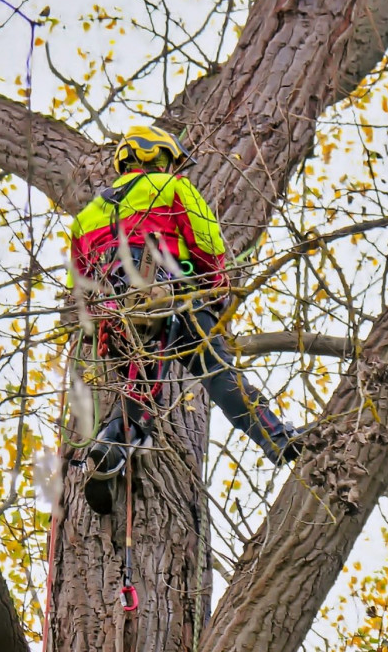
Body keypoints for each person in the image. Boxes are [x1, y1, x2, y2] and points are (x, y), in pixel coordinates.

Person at [68, 125, 304, 514]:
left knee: (141, 393)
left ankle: (109, 449)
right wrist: (216, 284)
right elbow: (207, 243)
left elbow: (80, 284)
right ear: (154, 156)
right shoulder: (171, 188)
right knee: (217, 369)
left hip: (118, 314)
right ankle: (275, 437)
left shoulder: (86, 216)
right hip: (171, 296)